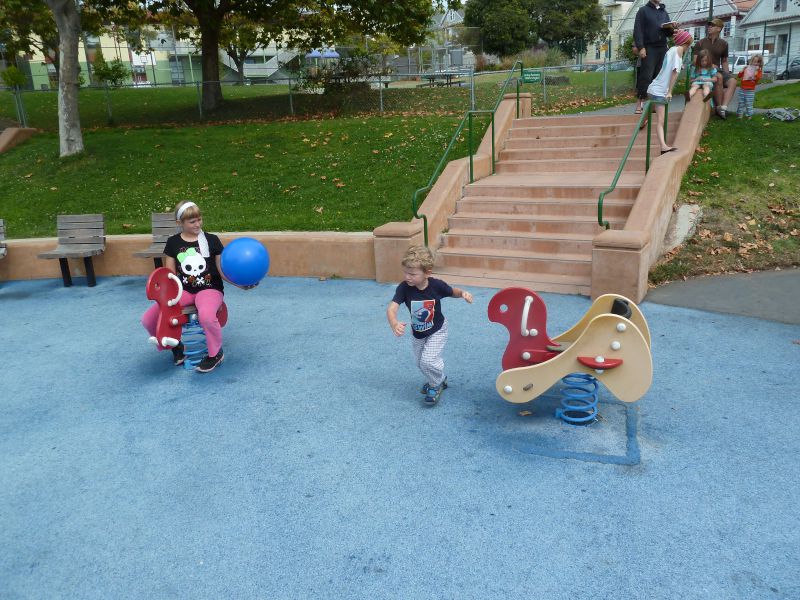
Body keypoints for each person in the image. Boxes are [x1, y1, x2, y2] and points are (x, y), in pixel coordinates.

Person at [141, 200, 255, 372]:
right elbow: (170, 277)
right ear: (179, 223)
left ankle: (215, 354)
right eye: (192, 221)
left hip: (210, 289)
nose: (197, 224)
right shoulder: (173, 243)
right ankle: (176, 346)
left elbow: (222, 271)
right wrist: (166, 300)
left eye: (199, 219)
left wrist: (241, 285)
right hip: (184, 290)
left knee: (207, 316)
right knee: (148, 319)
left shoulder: (211, 240)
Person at [386, 246, 473, 405]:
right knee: (420, 363)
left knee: (428, 361)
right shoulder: (404, 288)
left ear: (427, 273)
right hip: (418, 333)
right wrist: (394, 323)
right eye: (405, 272)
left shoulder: (436, 286)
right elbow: (392, 308)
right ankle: (440, 378)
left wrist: (463, 294)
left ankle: (435, 384)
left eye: (412, 274)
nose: (407, 277)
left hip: (437, 330)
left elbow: (452, 291)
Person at [647, 29, 694, 153]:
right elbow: (674, 72)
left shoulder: (672, 50)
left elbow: (669, 65)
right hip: (659, 91)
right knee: (661, 120)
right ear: (685, 43)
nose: (688, 48)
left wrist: (680, 65)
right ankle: (663, 146)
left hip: (652, 88)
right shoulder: (679, 51)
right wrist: (669, 92)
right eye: (688, 45)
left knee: (652, 107)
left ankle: (643, 121)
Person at [633, 0, 676, 114]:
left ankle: (653, 105)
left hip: (662, 48)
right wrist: (641, 47)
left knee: (659, 76)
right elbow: (638, 30)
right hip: (649, 48)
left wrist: (672, 28)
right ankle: (640, 103)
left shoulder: (663, 12)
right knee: (646, 76)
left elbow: (668, 33)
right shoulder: (643, 11)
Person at [694, 18, 737, 119]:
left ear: (719, 29)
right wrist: (709, 65)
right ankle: (718, 107)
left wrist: (728, 75)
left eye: (712, 25)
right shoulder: (700, 43)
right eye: (709, 25)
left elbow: (724, 61)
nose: (709, 27)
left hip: (718, 70)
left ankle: (723, 108)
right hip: (704, 70)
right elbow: (695, 60)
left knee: (733, 81)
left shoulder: (724, 44)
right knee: (719, 77)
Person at [737, 54, 764, 119]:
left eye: (758, 62)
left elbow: (757, 78)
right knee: (741, 103)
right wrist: (742, 70)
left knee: (749, 103)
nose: (756, 63)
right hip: (742, 89)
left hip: (750, 90)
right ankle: (740, 115)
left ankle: (749, 115)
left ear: (760, 63)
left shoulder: (759, 71)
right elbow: (739, 76)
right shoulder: (747, 68)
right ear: (751, 61)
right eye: (754, 61)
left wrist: (756, 71)